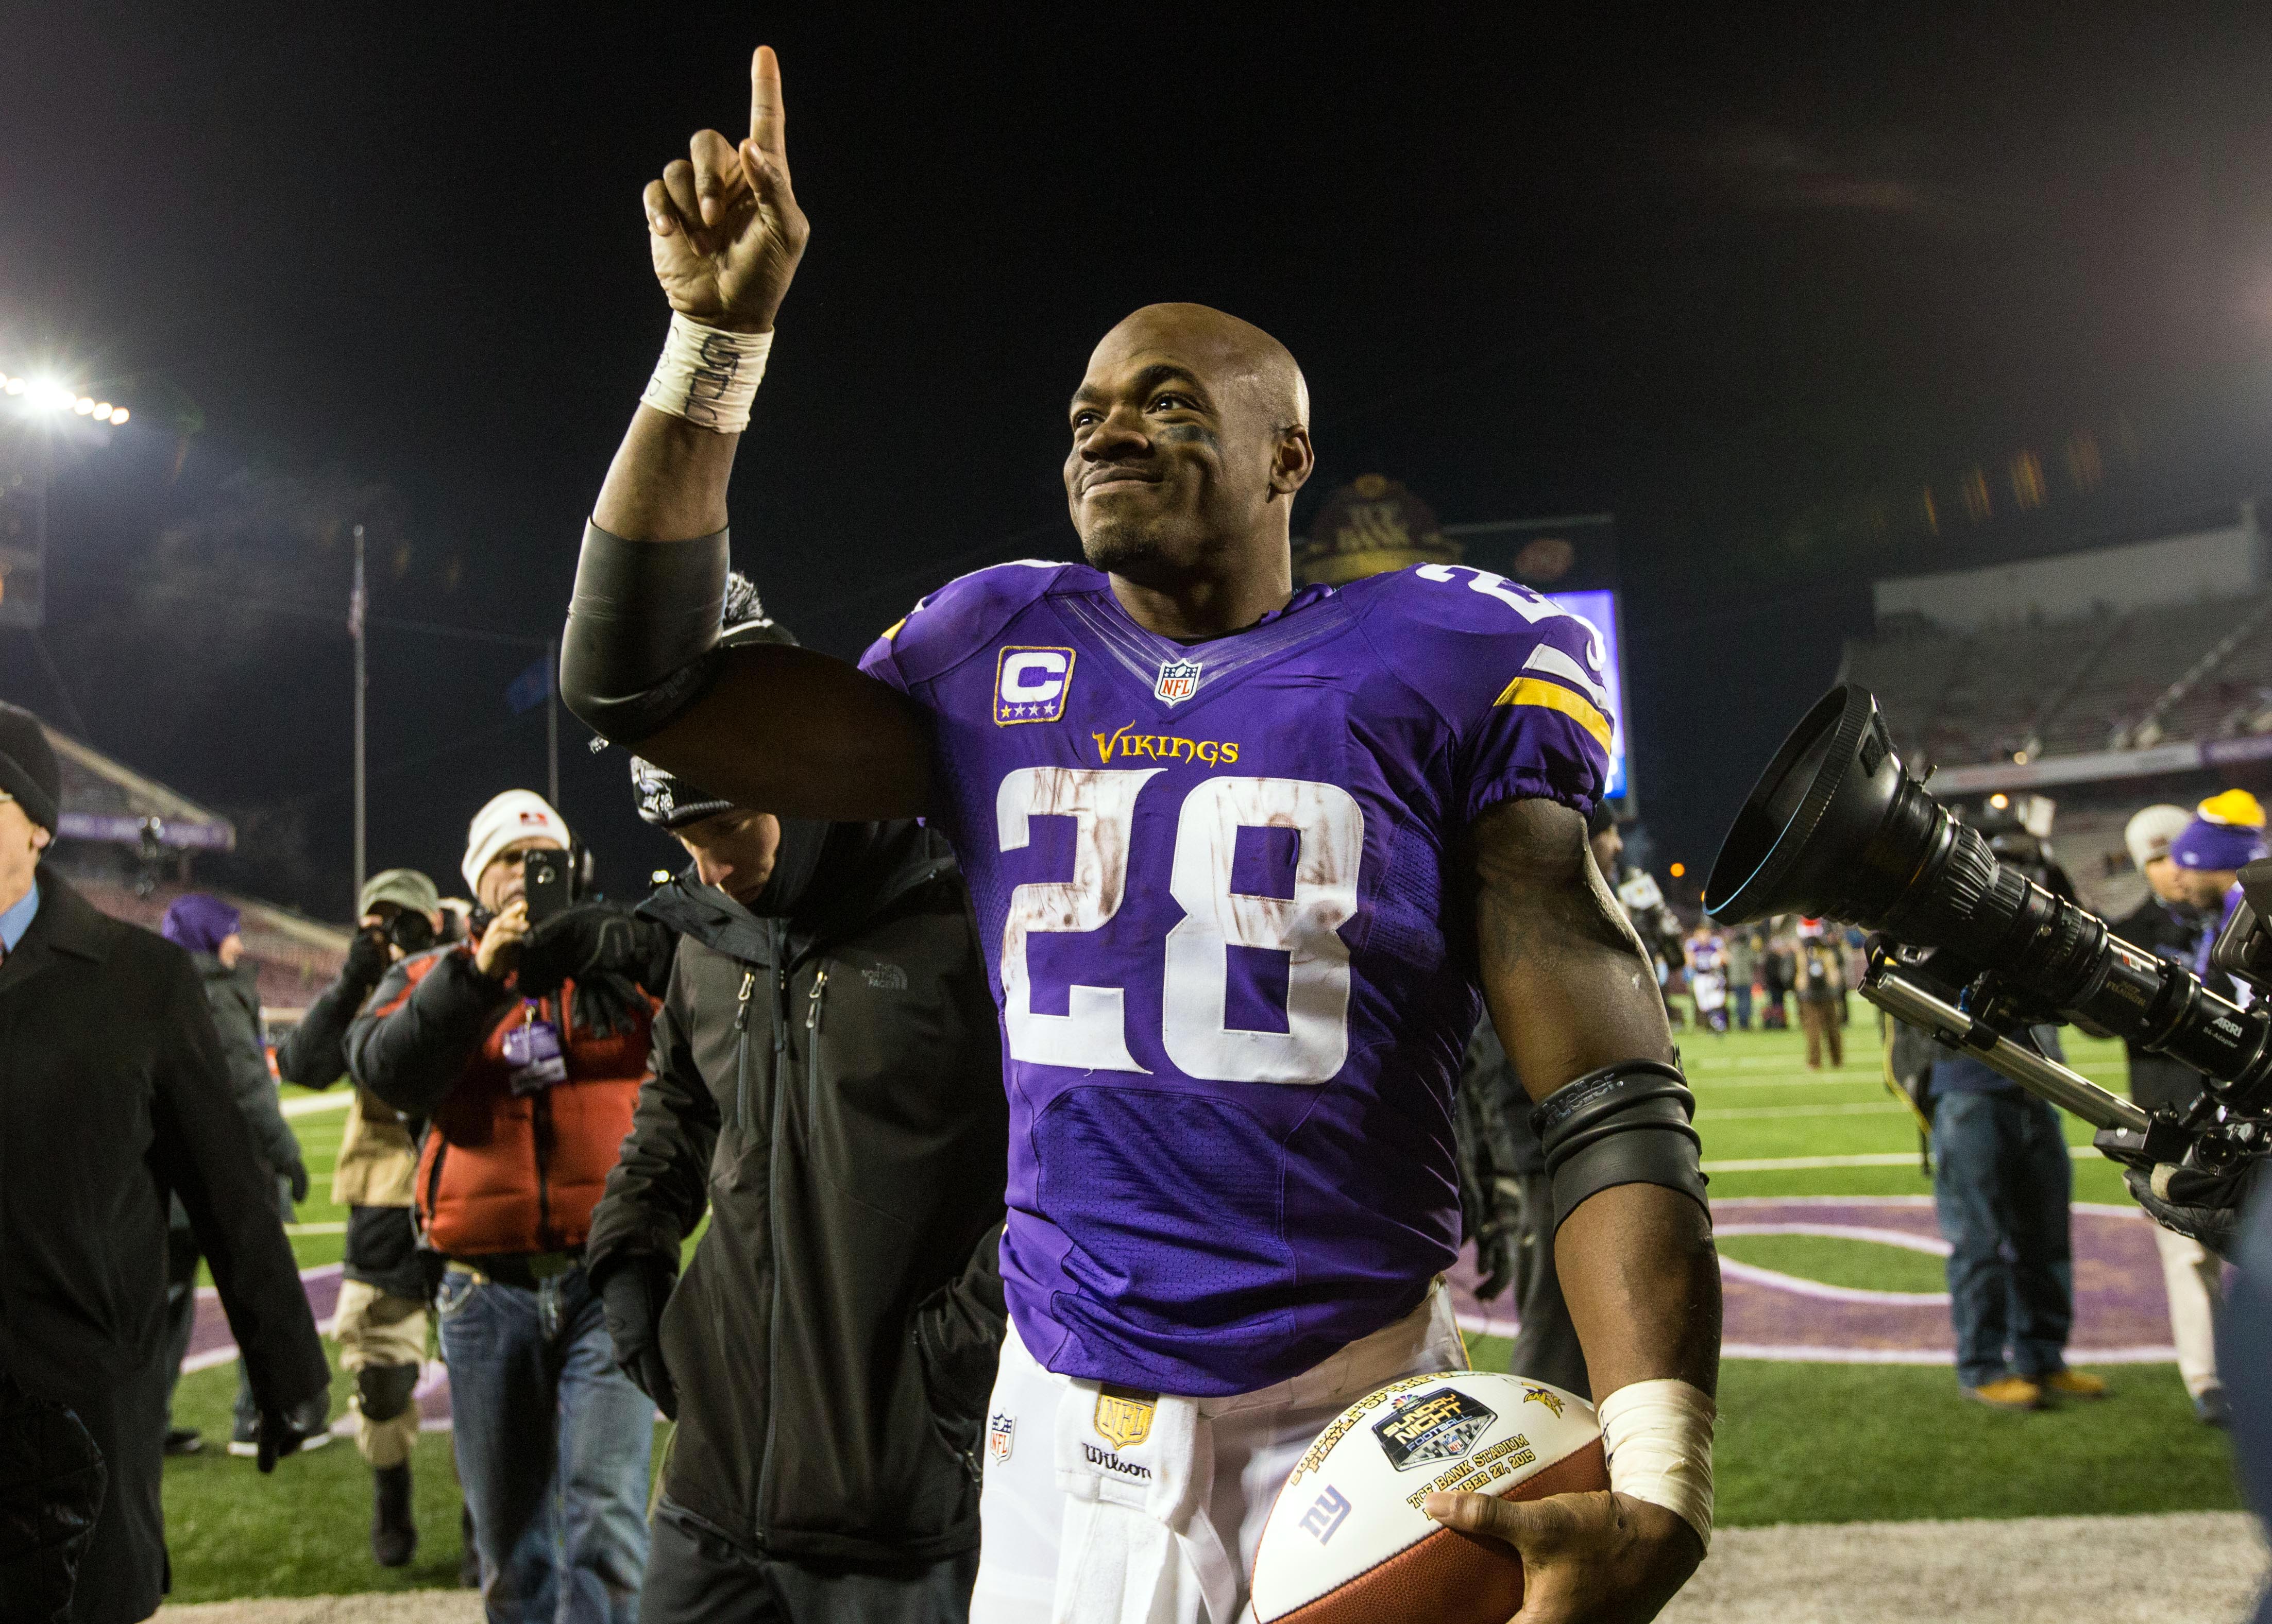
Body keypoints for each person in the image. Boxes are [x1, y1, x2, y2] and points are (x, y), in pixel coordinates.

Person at [559, 48, 1720, 1624]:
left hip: (1351, 1419)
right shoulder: (989, 651)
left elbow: (1598, 1080)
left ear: (1284, 457)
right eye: (1088, 412)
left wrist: (1662, 1468)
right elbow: (642, 681)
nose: (1109, 433)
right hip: (1060, 1423)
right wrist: (715, 341)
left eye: (1167, 406)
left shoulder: (1443, 660)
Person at [587, 613, 1012, 1619]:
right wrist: (632, 1248)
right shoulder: (708, 934)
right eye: (685, 840)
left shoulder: (964, 916)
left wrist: (955, 1359)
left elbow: (1068, 1151)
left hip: (896, 1511)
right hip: (708, 1490)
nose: (709, 867)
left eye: (726, 827)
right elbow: (679, 1103)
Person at [0, 700, 330, 1623]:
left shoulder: (140, 979)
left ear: (36, 825)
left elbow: (227, 1190)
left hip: (80, 1401)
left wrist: (287, 1370)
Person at [349, 792, 670, 1620]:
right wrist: (476, 978)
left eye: (543, 860)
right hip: (483, 1290)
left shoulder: (616, 962)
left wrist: (637, 956)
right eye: (506, 860)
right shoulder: (428, 974)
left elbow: (713, 1027)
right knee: (511, 1542)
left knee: (608, 1522)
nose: (525, 877)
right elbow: (386, 1069)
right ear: (475, 879)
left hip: (609, 1282)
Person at [277, 867, 448, 1564]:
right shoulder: (362, 988)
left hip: (470, 1180)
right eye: (379, 924)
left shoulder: (460, 966)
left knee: (488, 1364)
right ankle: (392, 1494)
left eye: (404, 922)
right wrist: (355, 979)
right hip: (385, 1193)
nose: (393, 936)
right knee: (380, 1374)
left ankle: (482, 1518)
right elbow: (302, 1064)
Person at [1927, 806, 2101, 1412]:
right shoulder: (1939, 905)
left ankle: (2043, 1356)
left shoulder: (2047, 888)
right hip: (1970, 1086)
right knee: (1979, 1238)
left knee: (2046, 1233)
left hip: (2039, 1085)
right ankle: (1981, 1364)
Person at [156, 893, 319, 1463]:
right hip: (226, 1177)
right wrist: (289, 1155)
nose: (239, 944)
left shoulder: (159, 985)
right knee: (260, 1293)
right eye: (230, 932)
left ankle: (148, 1422)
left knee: (166, 1307)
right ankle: (261, 1417)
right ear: (204, 935)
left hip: (170, 1182)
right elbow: (247, 1090)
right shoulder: (215, 995)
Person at [1794, 920, 1845, 1068]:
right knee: (1832, 1028)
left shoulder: (1802, 951)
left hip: (1810, 995)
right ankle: (1837, 1060)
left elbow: (1799, 975)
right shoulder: (1826, 950)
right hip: (1826, 993)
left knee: (1813, 1030)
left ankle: (1815, 1062)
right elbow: (1834, 974)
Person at [1725, 928, 1758, 1031]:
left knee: (1739, 1001)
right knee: (1746, 1001)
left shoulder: (1732, 950)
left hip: (1735, 980)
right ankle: (1745, 1023)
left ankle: (1740, 1022)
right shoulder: (1748, 951)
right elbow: (1757, 961)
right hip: (1746, 979)